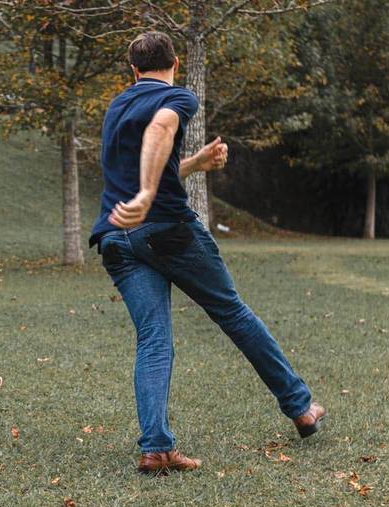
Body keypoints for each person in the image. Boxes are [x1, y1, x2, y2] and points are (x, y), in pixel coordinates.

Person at [90, 32, 326, 474]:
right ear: (175, 63)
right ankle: (301, 407)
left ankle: (156, 448)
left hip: (115, 238)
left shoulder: (116, 106)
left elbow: (152, 161)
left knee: (153, 339)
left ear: (133, 70)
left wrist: (194, 164)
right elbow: (160, 130)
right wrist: (145, 193)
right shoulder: (179, 98)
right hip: (166, 230)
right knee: (233, 314)